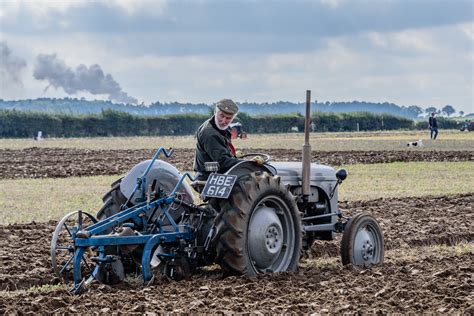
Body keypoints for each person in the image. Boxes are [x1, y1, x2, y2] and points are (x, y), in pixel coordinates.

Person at [193, 99, 241, 182]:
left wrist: (232, 156)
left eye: (228, 118)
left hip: (216, 173)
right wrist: (246, 163)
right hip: (208, 178)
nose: (224, 121)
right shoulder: (210, 134)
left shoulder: (220, 127)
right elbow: (222, 161)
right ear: (215, 112)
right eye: (221, 116)